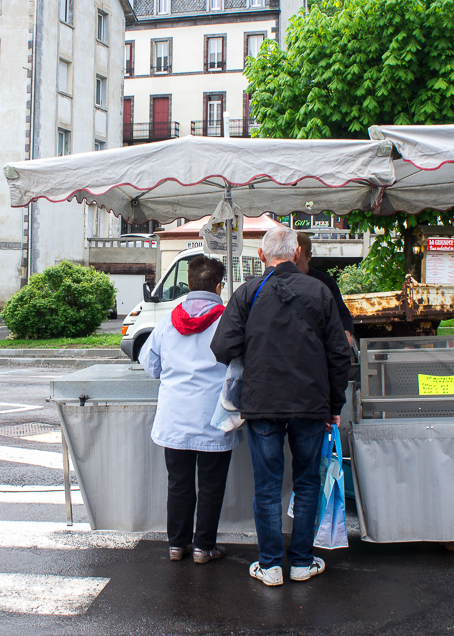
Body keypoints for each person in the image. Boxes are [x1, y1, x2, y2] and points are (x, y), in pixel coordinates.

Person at [210, 224, 351, 587]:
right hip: (310, 404)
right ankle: (302, 561)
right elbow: (339, 354)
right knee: (307, 482)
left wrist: (255, 347)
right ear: (298, 253)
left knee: (268, 485)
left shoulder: (247, 292)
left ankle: (270, 565)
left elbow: (222, 348)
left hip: (262, 403)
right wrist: (335, 403)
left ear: (261, 256)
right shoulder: (319, 291)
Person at [140, 255, 239, 565]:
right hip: (214, 416)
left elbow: (151, 365)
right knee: (211, 484)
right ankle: (203, 547)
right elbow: (239, 367)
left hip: (175, 417)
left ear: (189, 284)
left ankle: (176, 544)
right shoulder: (229, 322)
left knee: (178, 482)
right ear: (219, 286)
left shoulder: (167, 321)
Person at [294, 231, 355, 346]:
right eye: (291, 262)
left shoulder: (325, 282)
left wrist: (346, 333)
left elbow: (342, 313)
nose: (294, 268)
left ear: (309, 257)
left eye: (298, 263)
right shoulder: (279, 282)